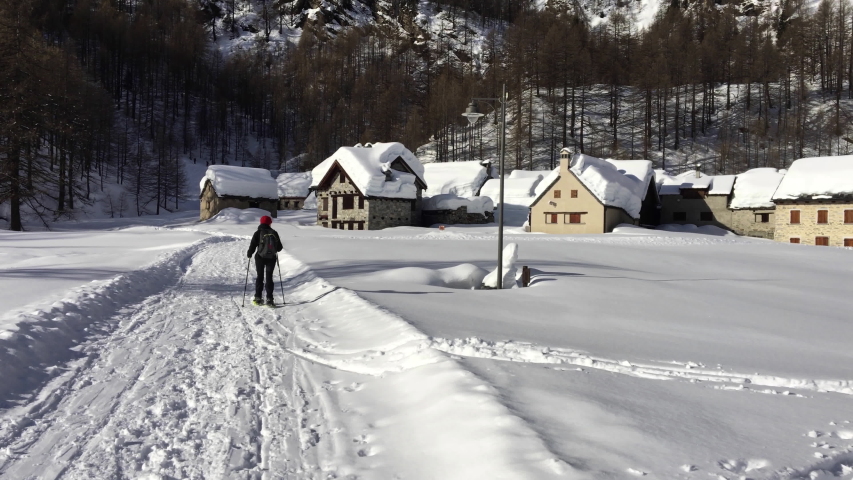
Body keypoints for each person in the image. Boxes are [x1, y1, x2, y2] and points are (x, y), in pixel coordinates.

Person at [247, 215, 283, 306]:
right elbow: (279, 248)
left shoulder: (258, 233)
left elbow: (253, 245)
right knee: (269, 277)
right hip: (271, 258)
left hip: (260, 257)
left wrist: (249, 253)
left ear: (261, 222)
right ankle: (269, 299)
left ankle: (258, 298)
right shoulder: (274, 233)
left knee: (260, 276)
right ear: (270, 223)